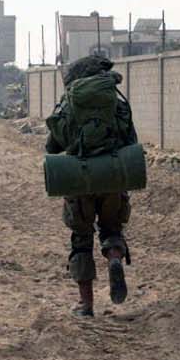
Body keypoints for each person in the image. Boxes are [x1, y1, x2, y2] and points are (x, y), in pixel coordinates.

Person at [45, 55, 138, 317]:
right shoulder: (117, 103)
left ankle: (86, 305)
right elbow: (131, 140)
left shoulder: (69, 105)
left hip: (80, 179)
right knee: (111, 228)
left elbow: (52, 146)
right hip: (111, 176)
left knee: (81, 239)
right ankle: (115, 259)